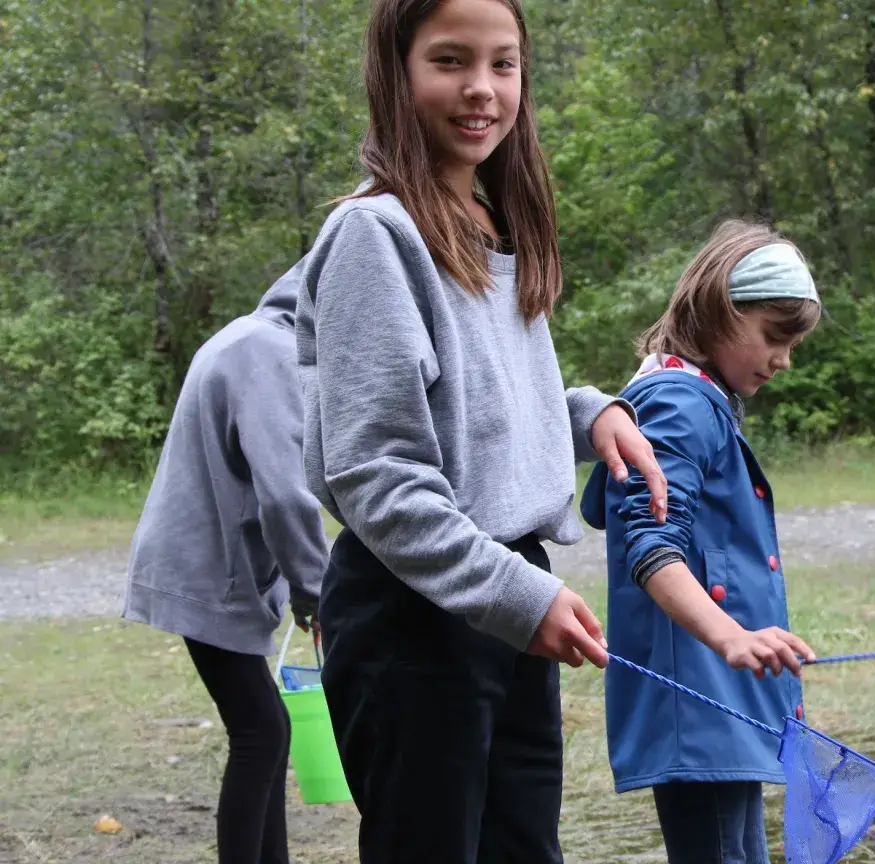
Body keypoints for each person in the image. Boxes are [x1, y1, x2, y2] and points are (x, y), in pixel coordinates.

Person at [291, 0, 667, 861]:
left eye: (503, 63)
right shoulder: (372, 236)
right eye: (450, 60)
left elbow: (483, 402)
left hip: (504, 598)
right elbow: (377, 473)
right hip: (415, 617)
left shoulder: (494, 224)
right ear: (397, 70)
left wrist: (590, 413)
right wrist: (515, 596)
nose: (481, 89)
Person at [579, 220, 824, 864]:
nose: (783, 360)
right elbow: (651, 546)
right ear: (720, 309)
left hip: (726, 695)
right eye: (774, 337)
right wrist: (731, 638)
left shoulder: (704, 400)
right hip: (700, 695)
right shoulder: (678, 403)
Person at [123, 259, 327, 864]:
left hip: (202, 567)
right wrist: (315, 592)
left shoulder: (247, 335)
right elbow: (285, 494)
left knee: (266, 729)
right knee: (261, 732)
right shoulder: (267, 353)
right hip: (205, 574)